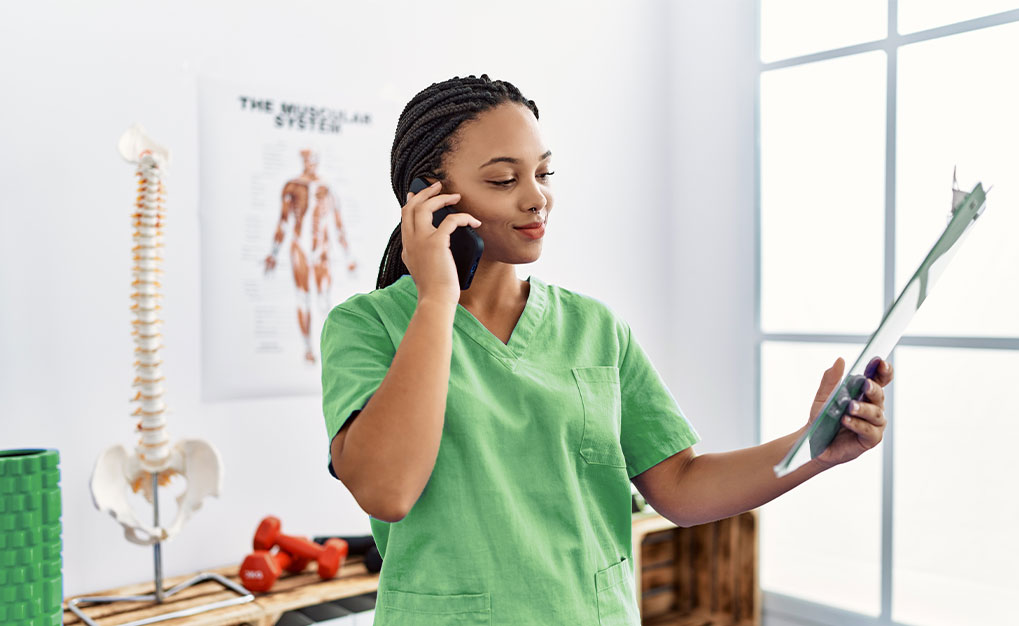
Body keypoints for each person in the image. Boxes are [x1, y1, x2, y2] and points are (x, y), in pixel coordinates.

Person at [320, 75, 892, 625]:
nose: (536, 197)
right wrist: (437, 299)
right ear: (427, 196)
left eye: (545, 173)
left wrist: (813, 448)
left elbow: (681, 487)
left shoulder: (594, 327)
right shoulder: (367, 327)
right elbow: (387, 492)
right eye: (503, 180)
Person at [264, 148, 358, 363]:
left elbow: (337, 223)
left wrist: (348, 258)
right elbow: (283, 221)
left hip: (321, 248)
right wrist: (274, 253)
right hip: (299, 248)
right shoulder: (293, 186)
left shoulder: (327, 188)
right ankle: (308, 348)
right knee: (303, 298)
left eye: (313, 159)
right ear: (303, 160)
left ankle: (330, 349)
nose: (311, 162)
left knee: (324, 299)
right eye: (307, 159)